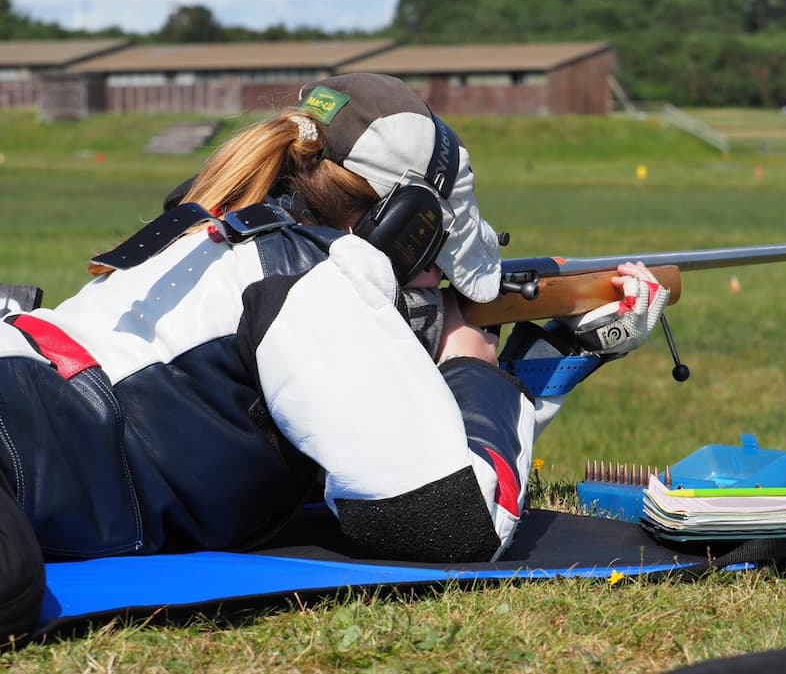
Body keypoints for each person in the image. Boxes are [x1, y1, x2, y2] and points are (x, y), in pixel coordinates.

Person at [0, 73, 668, 636]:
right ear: (403, 232)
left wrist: (559, 349)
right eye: (438, 268)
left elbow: (410, 442)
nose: (439, 288)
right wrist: (469, 359)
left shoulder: (226, 235)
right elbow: (454, 517)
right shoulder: (309, 281)